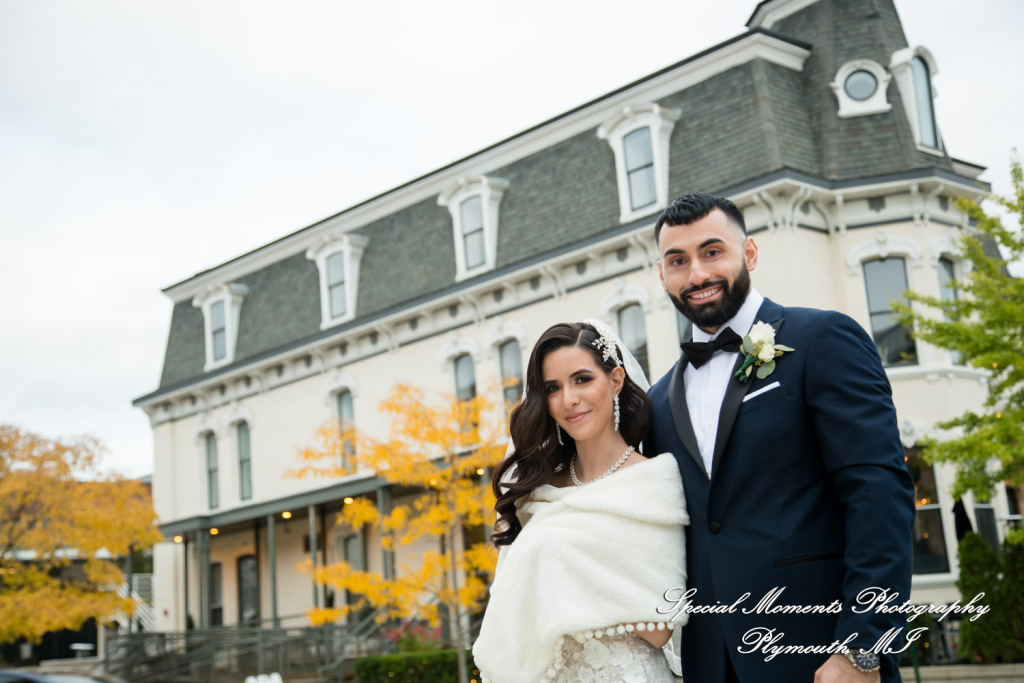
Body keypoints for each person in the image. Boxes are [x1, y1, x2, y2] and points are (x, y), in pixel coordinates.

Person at [646, 192, 916, 683]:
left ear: (748, 253)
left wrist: (864, 647)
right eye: (678, 261)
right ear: (662, 275)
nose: (697, 275)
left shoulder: (823, 340)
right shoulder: (660, 399)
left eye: (712, 252)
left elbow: (879, 495)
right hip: (711, 664)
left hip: (822, 658)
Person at [473, 320, 688, 683]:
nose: (569, 399)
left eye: (582, 379)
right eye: (553, 388)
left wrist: (567, 564)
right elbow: (517, 612)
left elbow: (659, 628)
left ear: (616, 380)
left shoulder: (653, 480)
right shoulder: (539, 493)